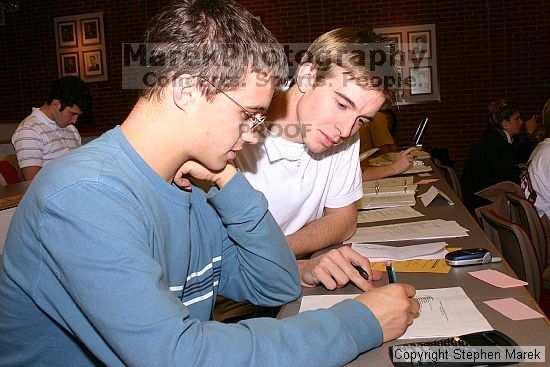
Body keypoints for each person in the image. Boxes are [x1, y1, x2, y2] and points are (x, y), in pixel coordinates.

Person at [0, 1, 419, 366]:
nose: (257, 132)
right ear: (187, 90)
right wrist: (359, 323)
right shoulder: (84, 196)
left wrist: (230, 180)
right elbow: (180, 357)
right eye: (248, 115)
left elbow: (275, 282)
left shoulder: (190, 184)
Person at [461, 98, 537, 213]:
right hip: (481, 206)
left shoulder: (494, 139)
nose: (521, 122)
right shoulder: (496, 146)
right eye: (517, 118)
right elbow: (508, 175)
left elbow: (515, 159)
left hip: (475, 201)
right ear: (505, 123)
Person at [11, 76, 92, 181]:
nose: (74, 121)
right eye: (72, 114)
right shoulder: (29, 130)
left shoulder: (71, 129)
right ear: (56, 104)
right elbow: (33, 183)